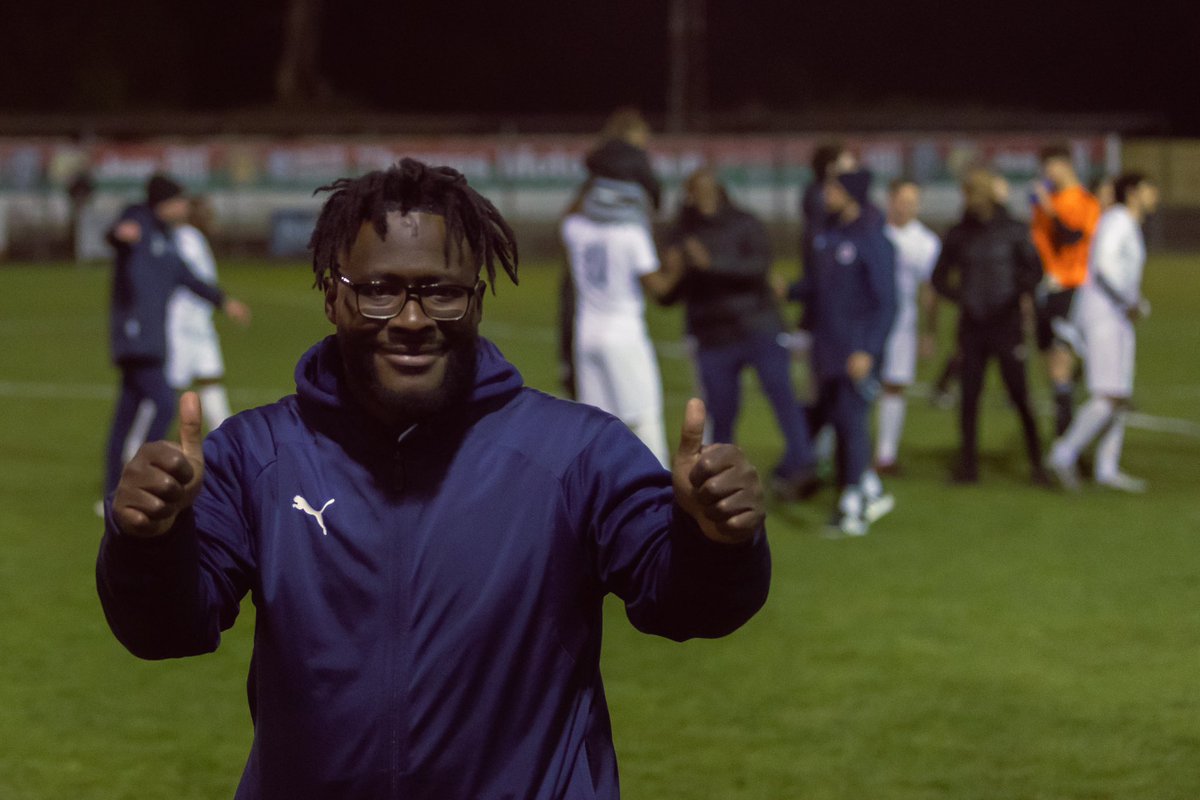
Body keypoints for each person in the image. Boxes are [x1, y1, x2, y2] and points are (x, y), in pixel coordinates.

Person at [96, 158, 769, 800]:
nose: (412, 320)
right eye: (381, 290)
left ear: (476, 299)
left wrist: (714, 540)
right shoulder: (260, 455)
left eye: (440, 292)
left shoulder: (574, 454)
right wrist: (148, 540)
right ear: (334, 296)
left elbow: (685, 608)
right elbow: (167, 632)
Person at [658, 167, 817, 500]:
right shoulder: (682, 233)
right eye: (691, 191)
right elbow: (669, 295)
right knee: (722, 413)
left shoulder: (745, 222)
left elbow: (757, 268)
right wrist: (672, 275)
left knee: (783, 397)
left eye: (703, 189)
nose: (697, 197)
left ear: (717, 190)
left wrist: (710, 263)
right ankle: (726, 482)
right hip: (712, 336)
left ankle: (804, 467)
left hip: (758, 326)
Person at [102, 174, 250, 500]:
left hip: (154, 338)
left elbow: (189, 278)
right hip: (135, 335)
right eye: (178, 200)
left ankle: (114, 489)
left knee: (127, 413)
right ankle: (142, 473)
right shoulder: (138, 219)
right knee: (164, 404)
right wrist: (118, 234)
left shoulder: (167, 239)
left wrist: (225, 302)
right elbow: (116, 233)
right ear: (164, 203)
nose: (184, 205)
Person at [789, 168, 896, 535]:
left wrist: (867, 349)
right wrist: (787, 291)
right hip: (827, 351)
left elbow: (886, 303)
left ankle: (852, 507)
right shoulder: (827, 234)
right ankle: (868, 490)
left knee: (852, 422)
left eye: (834, 188)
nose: (827, 193)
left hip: (855, 353)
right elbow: (817, 288)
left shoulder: (872, 239)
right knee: (839, 422)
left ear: (851, 193)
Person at [932, 167, 1048, 485]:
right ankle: (968, 466)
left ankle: (1038, 463)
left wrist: (1014, 294)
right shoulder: (959, 234)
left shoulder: (1013, 229)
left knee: (1020, 394)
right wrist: (963, 297)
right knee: (969, 397)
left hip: (1006, 324)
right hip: (972, 326)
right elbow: (939, 277)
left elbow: (1034, 270)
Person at [1047, 172, 1159, 492]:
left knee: (1119, 394)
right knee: (1106, 395)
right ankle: (1063, 454)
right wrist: (1131, 300)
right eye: (1150, 189)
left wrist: (1133, 303)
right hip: (1103, 315)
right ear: (1134, 192)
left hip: (1117, 314)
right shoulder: (1118, 220)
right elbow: (1106, 266)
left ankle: (1107, 468)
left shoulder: (1126, 223)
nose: (1156, 195)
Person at [561, 185, 677, 465]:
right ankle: (660, 494)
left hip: (586, 335)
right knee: (645, 418)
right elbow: (658, 287)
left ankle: (600, 493)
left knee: (597, 424)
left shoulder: (577, 230)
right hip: (623, 335)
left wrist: (595, 186)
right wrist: (678, 268)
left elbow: (570, 212)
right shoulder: (631, 234)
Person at [1030, 144, 1101, 436]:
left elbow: (1073, 238)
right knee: (1053, 362)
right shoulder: (1046, 201)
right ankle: (1067, 437)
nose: (1048, 171)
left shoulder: (1084, 201)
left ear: (1067, 165)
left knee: (1063, 360)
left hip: (1072, 287)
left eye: (1053, 164)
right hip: (1046, 289)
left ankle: (1066, 442)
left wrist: (1051, 211)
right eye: (1045, 166)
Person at [874, 178, 941, 474]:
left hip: (902, 324)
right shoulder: (874, 232)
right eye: (902, 200)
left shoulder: (925, 242)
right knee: (852, 385)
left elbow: (930, 290)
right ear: (890, 200)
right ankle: (832, 451)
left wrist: (929, 332)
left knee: (894, 384)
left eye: (912, 202)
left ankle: (885, 455)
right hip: (867, 321)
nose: (906, 207)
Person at [166, 196, 242, 430]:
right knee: (167, 391)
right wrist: (223, 301)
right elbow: (186, 278)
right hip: (182, 327)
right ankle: (134, 447)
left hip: (201, 325)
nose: (211, 220)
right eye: (207, 214)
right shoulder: (187, 238)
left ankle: (227, 445)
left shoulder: (195, 239)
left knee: (211, 380)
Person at [581, 107, 661, 226]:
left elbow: (589, 165)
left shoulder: (600, 152)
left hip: (596, 212)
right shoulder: (637, 155)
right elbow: (651, 184)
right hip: (628, 214)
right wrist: (657, 206)